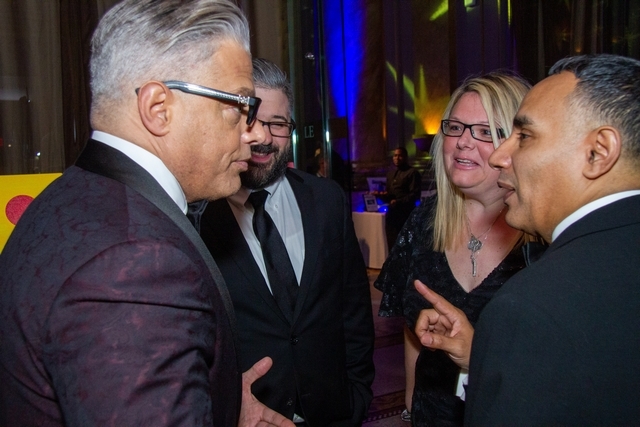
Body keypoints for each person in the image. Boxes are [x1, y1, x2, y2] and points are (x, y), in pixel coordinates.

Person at [0, 1, 296, 426]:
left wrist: (219, 407)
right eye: (239, 105)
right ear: (159, 108)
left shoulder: (77, 195)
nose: (252, 134)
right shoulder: (134, 263)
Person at [414, 54, 640, 425]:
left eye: (524, 136)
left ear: (598, 152)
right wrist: (481, 356)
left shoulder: (529, 308)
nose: (501, 156)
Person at [199, 58, 375, 426]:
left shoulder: (326, 200)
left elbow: (353, 310)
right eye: (251, 120)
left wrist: (357, 393)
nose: (264, 138)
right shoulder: (197, 216)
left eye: (277, 123)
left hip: (333, 413)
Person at [374, 72, 536, 426]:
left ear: (518, 144)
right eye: (456, 127)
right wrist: (410, 403)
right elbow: (413, 326)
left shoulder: (543, 237)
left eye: (485, 131)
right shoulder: (422, 224)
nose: (463, 142)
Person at [380, 147, 422, 248]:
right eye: (395, 155)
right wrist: (380, 195)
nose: (397, 158)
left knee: (405, 245)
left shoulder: (412, 173)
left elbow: (415, 195)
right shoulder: (390, 174)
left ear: (405, 157)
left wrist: (398, 201)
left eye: (400, 156)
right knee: (392, 243)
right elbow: (389, 193)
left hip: (405, 214)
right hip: (392, 215)